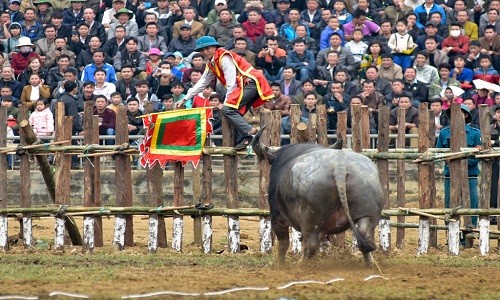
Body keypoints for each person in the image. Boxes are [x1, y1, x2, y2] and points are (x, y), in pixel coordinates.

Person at [176, 36, 273, 150]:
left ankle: (251, 132)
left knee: (227, 109)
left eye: (207, 48)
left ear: (214, 47)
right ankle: (245, 139)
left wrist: (226, 102)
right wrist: (185, 98)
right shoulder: (211, 63)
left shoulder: (224, 57)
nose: (205, 52)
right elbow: (202, 82)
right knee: (234, 114)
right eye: (202, 50)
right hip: (243, 85)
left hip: (251, 82)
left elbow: (231, 82)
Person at [436, 104, 481, 227]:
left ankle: (469, 234)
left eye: (459, 113)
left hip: (470, 174)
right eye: (453, 113)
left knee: (472, 204)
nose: (455, 116)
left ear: (466, 115)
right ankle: (451, 233)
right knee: (450, 205)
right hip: (450, 175)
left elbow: (479, 155)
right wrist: (449, 160)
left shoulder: (475, 133)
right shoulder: (444, 133)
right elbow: (438, 153)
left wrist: (458, 161)